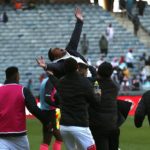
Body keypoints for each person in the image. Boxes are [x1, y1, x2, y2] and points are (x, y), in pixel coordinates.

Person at [0, 66, 51, 150]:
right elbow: (33, 109)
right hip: (19, 137)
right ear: (17, 76)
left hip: (1, 136)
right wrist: (46, 121)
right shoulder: (23, 90)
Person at [56, 58, 101, 150]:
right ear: (77, 67)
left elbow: (56, 98)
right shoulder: (84, 82)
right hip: (80, 125)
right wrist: (98, 90)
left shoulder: (61, 82)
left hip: (64, 125)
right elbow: (96, 101)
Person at [36, 7, 88, 79]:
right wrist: (46, 66)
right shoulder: (61, 64)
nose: (58, 48)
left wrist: (79, 22)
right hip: (85, 85)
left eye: (57, 47)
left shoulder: (70, 50)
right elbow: (55, 66)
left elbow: (75, 37)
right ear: (56, 58)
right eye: (55, 50)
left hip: (94, 80)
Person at [89, 62, 119, 150]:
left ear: (99, 71)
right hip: (113, 124)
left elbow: (96, 96)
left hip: (98, 125)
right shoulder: (115, 86)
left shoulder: (96, 84)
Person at [39, 76, 62, 150]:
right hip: (51, 112)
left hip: (46, 111)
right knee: (48, 139)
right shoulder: (51, 81)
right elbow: (47, 98)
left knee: (57, 138)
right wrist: (58, 106)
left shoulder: (45, 80)